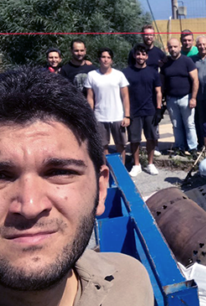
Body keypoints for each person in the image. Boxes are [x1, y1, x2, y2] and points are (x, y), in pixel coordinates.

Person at [0, 66, 154, 306]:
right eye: (1, 176)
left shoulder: (130, 282)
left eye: (60, 172)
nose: (29, 206)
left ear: (101, 190)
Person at [84, 48, 131, 163]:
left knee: (120, 145)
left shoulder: (119, 75)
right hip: (100, 116)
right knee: (103, 145)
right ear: (99, 59)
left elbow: (125, 97)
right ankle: (107, 170)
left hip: (117, 116)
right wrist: (90, 116)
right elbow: (90, 98)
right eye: (103, 57)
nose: (106, 60)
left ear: (112, 60)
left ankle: (122, 170)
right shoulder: (92, 75)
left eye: (108, 57)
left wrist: (127, 116)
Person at [123, 44, 163, 176]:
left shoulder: (153, 72)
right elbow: (123, 94)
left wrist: (158, 109)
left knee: (151, 138)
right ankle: (136, 164)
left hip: (150, 110)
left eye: (143, 54)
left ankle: (150, 163)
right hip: (133, 111)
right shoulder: (126, 72)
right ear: (134, 55)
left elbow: (158, 92)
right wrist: (125, 113)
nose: (140, 56)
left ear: (147, 56)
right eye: (138, 54)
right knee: (134, 139)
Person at [128, 24, 166, 157]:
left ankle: (154, 147)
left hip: (153, 90)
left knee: (153, 125)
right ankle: (136, 159)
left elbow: (168, 67)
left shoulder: (159, 53)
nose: (148, 36)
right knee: (135, 131)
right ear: (142, 36)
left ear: (154, 36)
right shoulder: (134, 51)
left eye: (151, 34)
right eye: (146, 34)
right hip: (137, 93)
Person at [160, 38, 199, 157]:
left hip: (186, 98)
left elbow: (195, 80)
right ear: (168, 48)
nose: (173, 49)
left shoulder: (187, 61)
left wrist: (193, 98)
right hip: (171, 99)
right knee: (176, 125)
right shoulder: (165, 64)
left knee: (189, 124)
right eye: (170, 47)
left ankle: (193, 148)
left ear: (179, 47)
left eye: (175, 47)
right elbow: (162, 82)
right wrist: (162, 98)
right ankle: (179, 146)